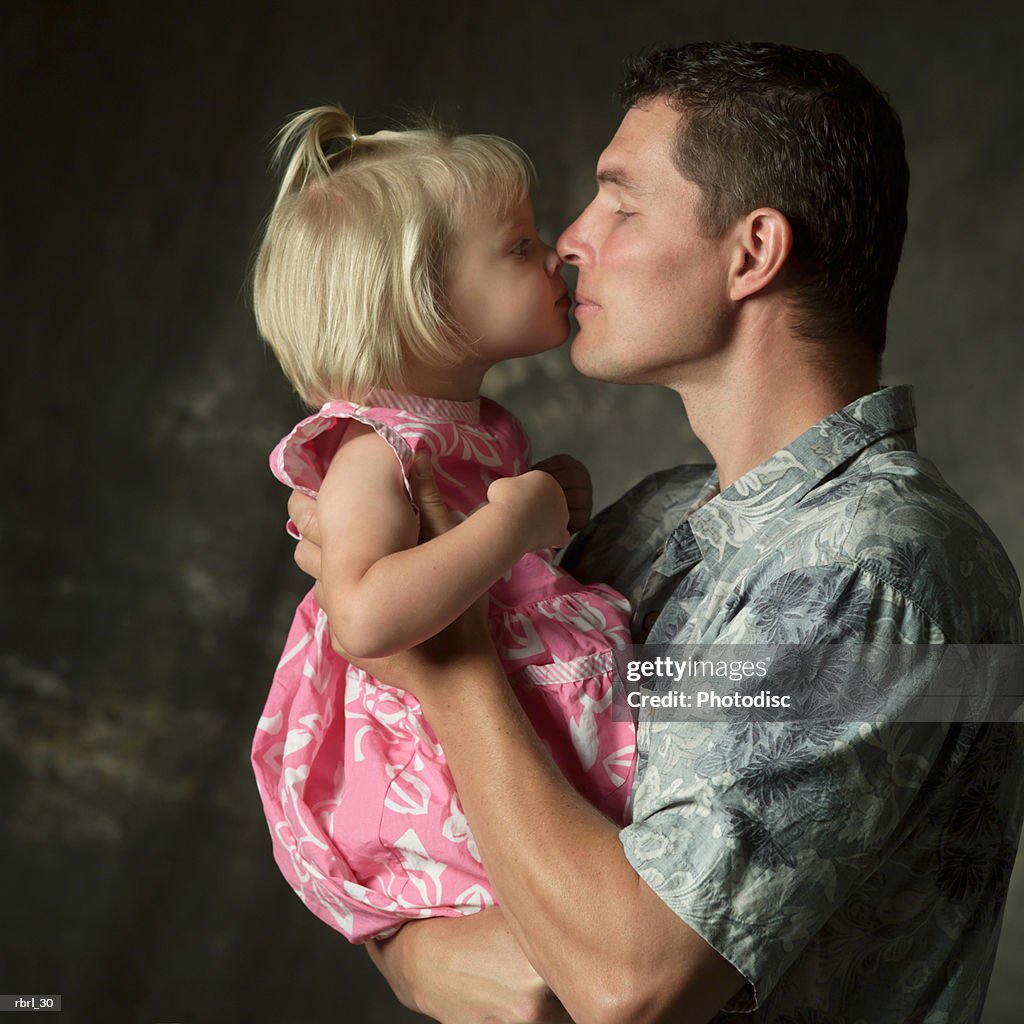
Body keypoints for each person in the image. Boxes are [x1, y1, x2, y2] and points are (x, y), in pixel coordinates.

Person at [288, 42, 1024, 1024]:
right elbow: (506, 889)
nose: (570, 242)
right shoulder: (650, 523)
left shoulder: (879, 577)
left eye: (620, 206)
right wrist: (413, 949)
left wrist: (450, 666)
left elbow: (625, 983)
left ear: (751, 252)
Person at [249, 107, 639, 943]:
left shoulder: (468, 426)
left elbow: (479, 573)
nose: (557, 255)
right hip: (435, 776)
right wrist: (507, 530)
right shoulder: (373, 450)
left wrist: (534, 513)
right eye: (519, 246)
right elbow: (364, 616)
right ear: (422, 298)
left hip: (513, 755)